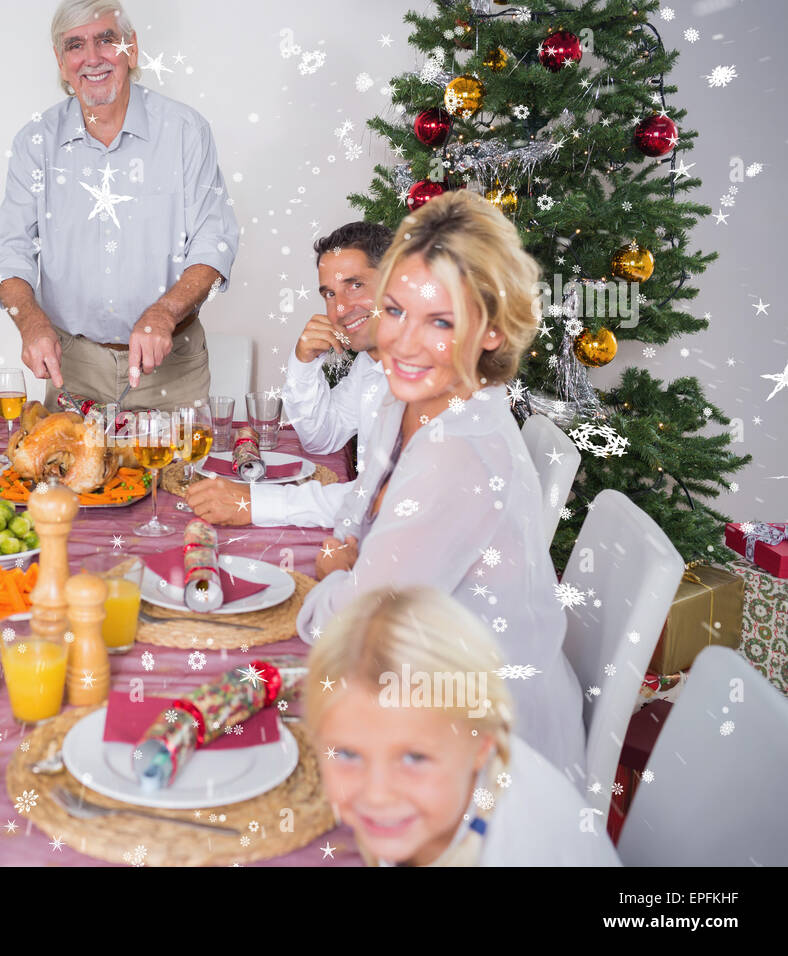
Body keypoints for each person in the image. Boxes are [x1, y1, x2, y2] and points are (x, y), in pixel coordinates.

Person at [296, 190, 582, 773]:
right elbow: (355, 515)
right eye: (397, 310)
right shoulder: (406, 398)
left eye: (442, 321)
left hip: (486, 743)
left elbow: (356, 625)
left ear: (493, 332)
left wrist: (333, 578)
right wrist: (348, 561)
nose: (404, 342)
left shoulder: (461, 452)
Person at [0, 0, 239, 412]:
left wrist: (164, 313)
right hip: (74, 370)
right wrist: (31, 323)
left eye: (106, 40)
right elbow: (8, 250)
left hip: (172, 367)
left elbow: (216, 243)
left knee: (181, 478)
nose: (92, 58)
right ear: (60, 59)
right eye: (75, 45)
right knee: (67, 478)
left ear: (131, 50)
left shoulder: (185, 131)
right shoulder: (35, 142)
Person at [305, 587, 620, 866]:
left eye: (414, 758)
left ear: (482, 745)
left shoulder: (520, 848)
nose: (376, 794)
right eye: (347, 754)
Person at [187, 221, 391, 526]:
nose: (340, 309)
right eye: (330, 294)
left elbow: (388, 500)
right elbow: (322, 439)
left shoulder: (426, 372)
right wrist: (304, 362)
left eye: (355, 285)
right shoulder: (371, 363)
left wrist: (252, 504)